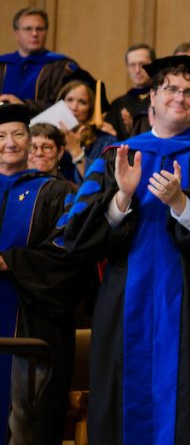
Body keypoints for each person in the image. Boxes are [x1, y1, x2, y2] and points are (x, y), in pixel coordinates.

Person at [57, 55, 190, 445]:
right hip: (125, 305)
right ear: (151, 97)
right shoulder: (115, 156)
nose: (181, 97)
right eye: (170, 88)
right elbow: (77, 239)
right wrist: (121, 196)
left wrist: (180, 204)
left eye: (189, 91)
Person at [0, 104, 84, 444]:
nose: (10, 142)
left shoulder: (57, 192)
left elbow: (68, 254)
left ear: (31, 138)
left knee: (24, 423)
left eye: (19, 133)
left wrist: (8, 262)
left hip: (30, 328)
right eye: (1, 136)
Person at [0, 8, 79, 114]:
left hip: (43, 129)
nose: (34, 34)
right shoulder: (3, 64)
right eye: (28, 29)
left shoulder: (62, 67)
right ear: (17, 34)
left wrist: (23, 105)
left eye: (40, 29)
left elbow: (65, 106)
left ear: (46, 32)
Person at [57, 76, 117, 181]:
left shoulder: (104, 141)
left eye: (82, 102)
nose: (74, 107)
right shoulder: (49, 135)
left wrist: (76, 151)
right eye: (70, 100)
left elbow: (99, 181)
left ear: (90, 108)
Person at [105, 43, 155, 140]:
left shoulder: (162, 100)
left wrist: (135, 128)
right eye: (132, 65)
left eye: (142, 65)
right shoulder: (118, 104)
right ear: (127, 68)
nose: (137, 70)